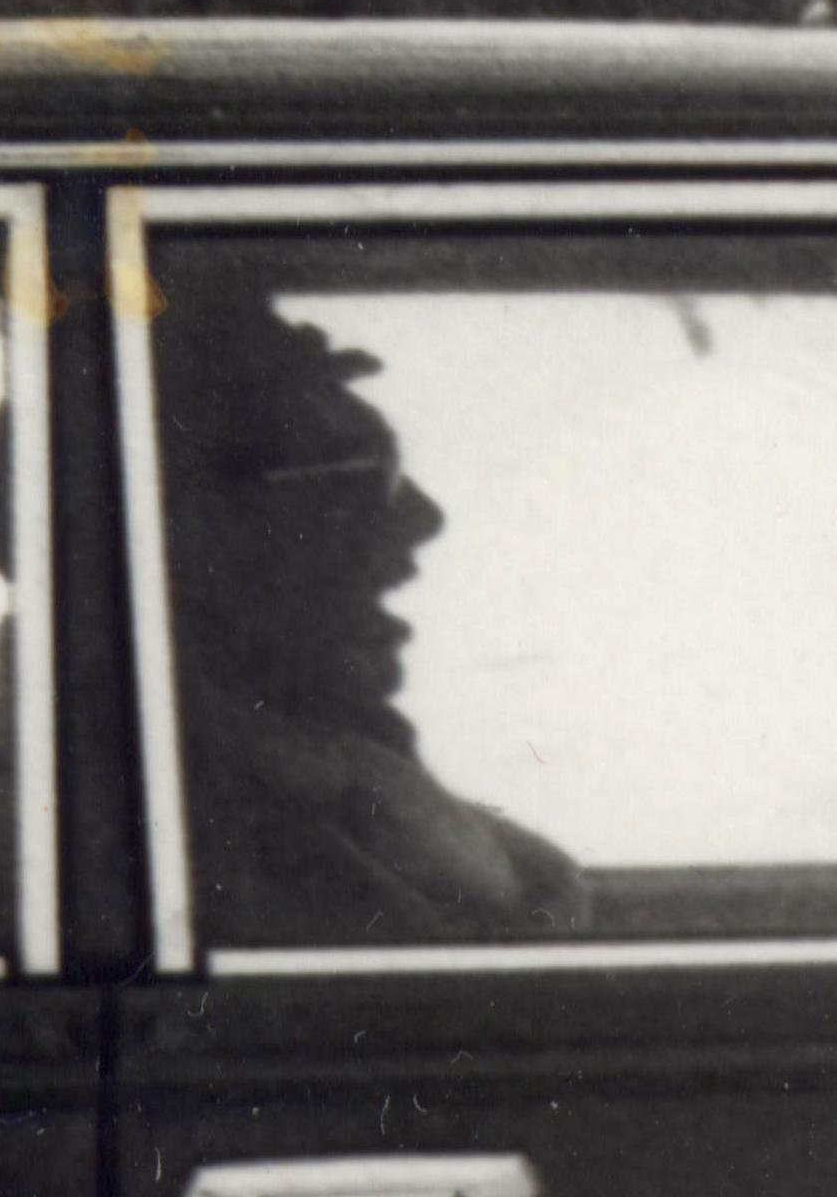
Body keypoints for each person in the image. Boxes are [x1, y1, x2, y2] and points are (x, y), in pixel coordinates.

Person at [153, 284, 591, 947]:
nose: (421, 520)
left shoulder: (297, 756)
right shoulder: (216, 800)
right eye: (358, 473)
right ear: (198, 537)